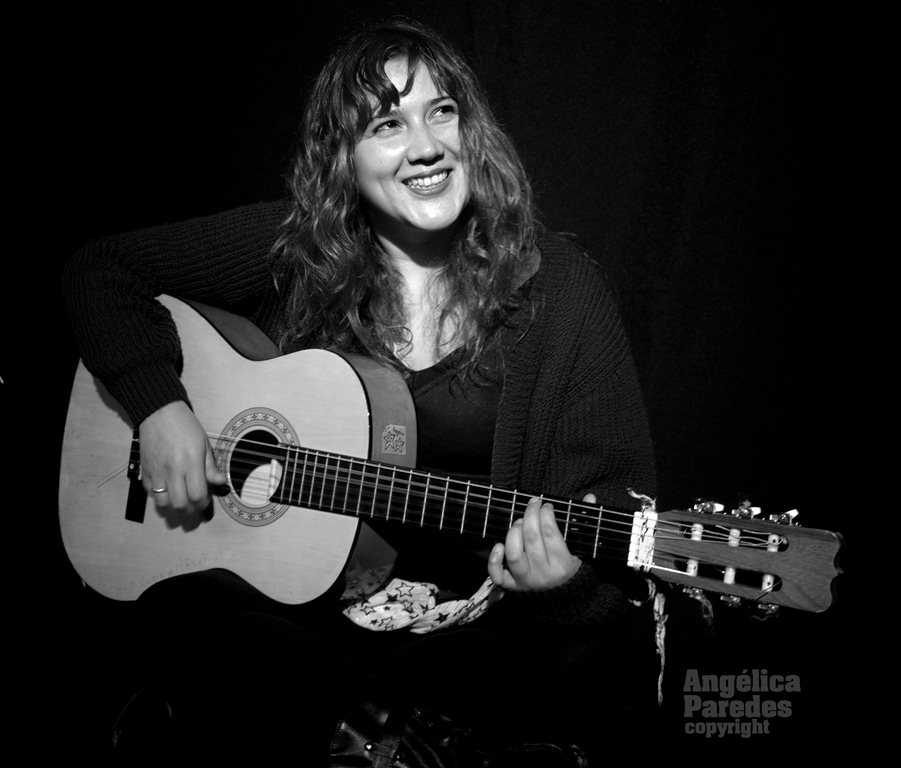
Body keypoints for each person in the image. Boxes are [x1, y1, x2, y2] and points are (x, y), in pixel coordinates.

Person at [61, 16, 664, 765]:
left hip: (468, 632)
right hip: (306, 622)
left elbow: (615, 509)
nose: (426, 146)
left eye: (442, 111)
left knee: (576, 665)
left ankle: (380, 732)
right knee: (181, 608)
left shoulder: (560, 289)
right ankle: (390, 734)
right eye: (387, 124)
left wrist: (562, 584)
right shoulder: (296, 250)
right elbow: (101, 271)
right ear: (342, 158)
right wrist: (160, 407)